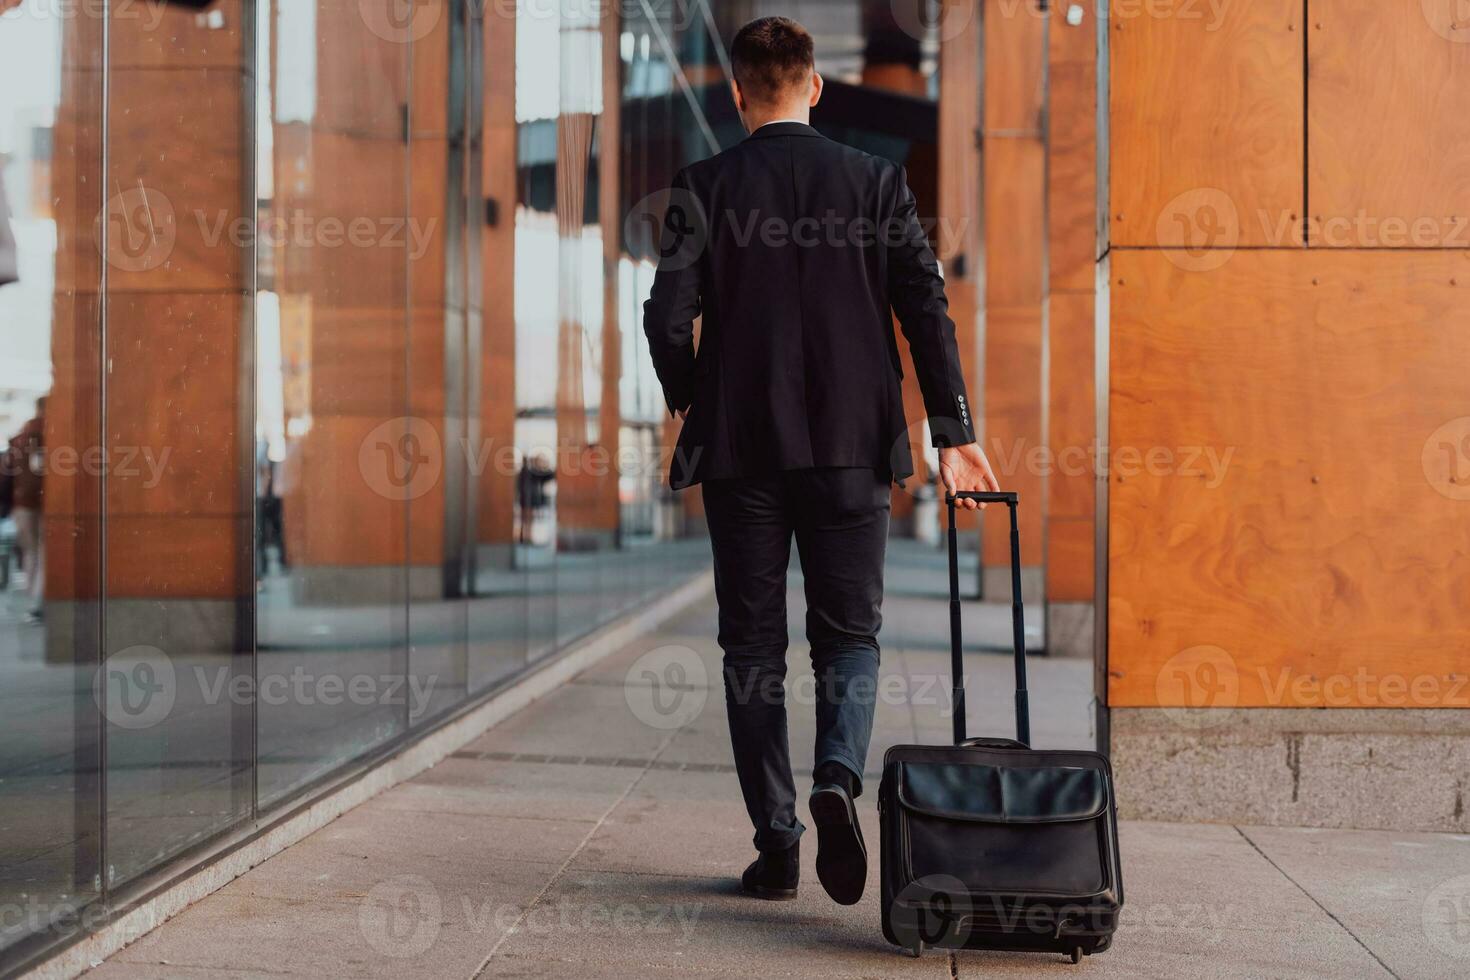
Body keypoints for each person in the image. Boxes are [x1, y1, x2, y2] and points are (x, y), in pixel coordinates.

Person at [642, 16, 1000, 906]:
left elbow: (663, 317)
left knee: (752, 648)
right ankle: (837, 774)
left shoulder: (702, 185)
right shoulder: (876, 182)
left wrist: (694, 396)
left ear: (736, 94)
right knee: (849, 637)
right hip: (849, 451)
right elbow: (926, 306)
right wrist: (953, 434)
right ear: (815, 87)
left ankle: (777, 843)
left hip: (742, 455)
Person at [7, 396, 46, 623]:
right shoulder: (44, 431)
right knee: (42, 552)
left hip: (22, 502)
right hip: (43, 501)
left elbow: (8, 474)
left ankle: (34, 599)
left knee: (32, 552)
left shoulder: (20, 437)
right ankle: (38, 601)